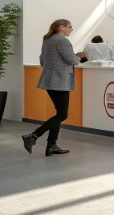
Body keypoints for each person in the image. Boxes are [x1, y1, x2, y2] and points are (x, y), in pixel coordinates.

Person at [22, 19, 85, 156]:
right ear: (62, 27)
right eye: (70, 27)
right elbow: (72, 61)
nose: (71, 30)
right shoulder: (62, 41)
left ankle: (52, 145)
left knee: (58, 114)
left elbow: (42, 61)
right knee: (62, 114)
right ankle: (33, 136)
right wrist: (79, 56)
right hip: (60, 81)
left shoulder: (47, 40)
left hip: (49, 80)